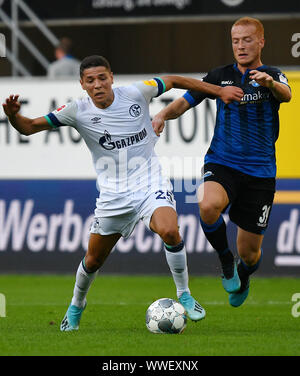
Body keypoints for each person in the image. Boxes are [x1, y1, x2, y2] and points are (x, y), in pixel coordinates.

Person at [3, 55, 242, 331]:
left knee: (170, 231)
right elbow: (30, 127)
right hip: (113, 196)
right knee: (93, 260)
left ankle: (184, 295)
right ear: (82, 84)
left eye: (102, 78)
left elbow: (175, 80)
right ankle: (76, 305)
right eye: (90, 80)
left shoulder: (136, 92)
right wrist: (12, 116)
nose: (97, 85)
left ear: (112, 77)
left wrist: (219, 91)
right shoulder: (76, 111)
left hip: (150, 184)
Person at [152, 17, 291, 308]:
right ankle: (226, 261)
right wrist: (163, 114)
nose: (240, 46)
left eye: (247, 40)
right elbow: (185, 101)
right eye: (235, 41)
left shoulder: (273, 74)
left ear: (261, 41)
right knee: (207, 204)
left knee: (251, 254)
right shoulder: (219, 75)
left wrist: (269, 82)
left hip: (260, 173)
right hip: (223, 162)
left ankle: (243, 271)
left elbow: (286, 94)